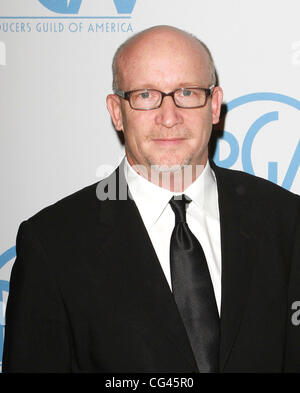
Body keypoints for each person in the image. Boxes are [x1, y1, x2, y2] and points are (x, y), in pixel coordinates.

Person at [3, 25, 300, 373]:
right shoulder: (53, 243)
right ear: (117, 111)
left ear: (214, 106)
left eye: (187, 92)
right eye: (145, 95)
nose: (169, 117)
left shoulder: (286, 220)